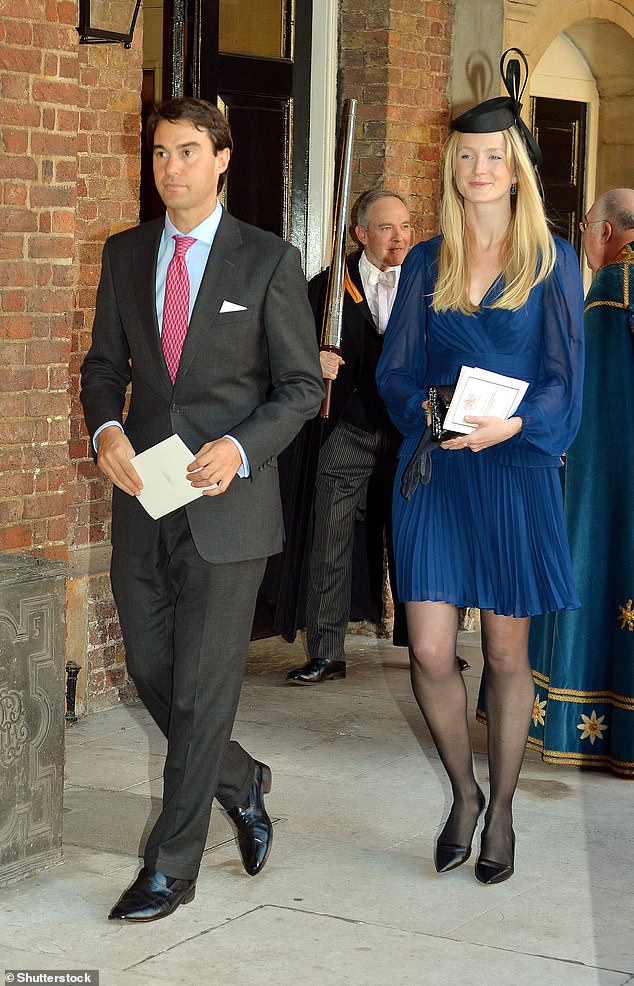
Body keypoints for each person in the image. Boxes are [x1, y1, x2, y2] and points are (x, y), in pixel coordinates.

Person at [80, 97, 324, 922]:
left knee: (201, 693)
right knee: (152, 670)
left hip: (230, 505)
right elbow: (100, 367)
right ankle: (241, 778)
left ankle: (170, 866)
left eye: (187, 151)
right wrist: (106, 428)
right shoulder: (123, 254)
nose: (169, 167)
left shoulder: (267, 261)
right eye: (159, 153)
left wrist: (245, 447)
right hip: (146, 498)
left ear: (222, 159)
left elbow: (300, 388)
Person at [376, 49, 584, 884]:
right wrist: (422, 413)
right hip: (437, 467)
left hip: (514, 468)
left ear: (518, 169)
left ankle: (502, 813)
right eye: (465, 158)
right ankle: (463, 791)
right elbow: (395, 365)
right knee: (429, 649)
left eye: (492, 158)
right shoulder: (429, 259)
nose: (477, 170)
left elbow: (568, 379)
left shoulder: (554, 261)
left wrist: (517, 426)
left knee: (504, 655)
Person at [283, 189, 412, 684]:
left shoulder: (427, 284)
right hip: (349, 430)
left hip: (407, 431)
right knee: (330, 538)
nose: (399, 237)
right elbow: (287, 345)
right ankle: (327, 650)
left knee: (411, 538)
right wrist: (312, 360)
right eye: (386, 228)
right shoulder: (327, 289)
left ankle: (423, 643)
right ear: (361, 234)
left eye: (404, 227)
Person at [528, 188, 634, 777]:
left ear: (603, 233)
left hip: (608, 472)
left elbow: (583, 398)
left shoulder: (610, 291)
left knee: (592, 562)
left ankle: (586, 723)